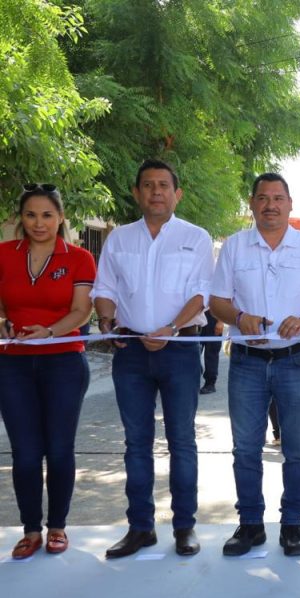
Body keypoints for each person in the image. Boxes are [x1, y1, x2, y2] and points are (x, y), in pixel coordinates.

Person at [210, 172, 300, 557]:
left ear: (290, 204)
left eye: (278, 198)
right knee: (245, 448)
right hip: (247, 362)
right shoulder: (234, 246)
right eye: (263, 198)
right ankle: (250, 525)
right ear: (252, 203)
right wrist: (239, 317)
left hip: (295, 360)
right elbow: (217, 301)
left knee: (297, 448)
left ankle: (293, 525)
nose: (270, 205)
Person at [93, 160, 213, 559]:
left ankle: (185, 526)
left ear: (177, 194)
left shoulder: (196, 238)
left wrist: (171, 328)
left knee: (182, 441)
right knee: (136, 443)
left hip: (179, 350)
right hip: (129, 352)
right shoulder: (119, 239)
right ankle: (140, 528)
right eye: (148, 185)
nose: (156, 191)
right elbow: (105, 288)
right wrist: (107, 321)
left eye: (163, 185)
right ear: (136, 193)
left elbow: (202, 293)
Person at [0, 185, 95, 559]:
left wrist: (51, 332)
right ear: (20, 218)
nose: (38, 223)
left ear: (60, 218)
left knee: (58, 449)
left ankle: (57, 526)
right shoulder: (4, 254)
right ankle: (30, 530)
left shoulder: (80, 258)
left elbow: (81, 311)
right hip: (12, 363)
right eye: (30, 215)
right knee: (25, 453)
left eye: (47, 215)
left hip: (63, 361)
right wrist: (3, 321)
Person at [199, 310, 222, 394]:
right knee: (193, 353)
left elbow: (222, 303)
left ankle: (210, 384)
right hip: (197, 317)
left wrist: (220, 321)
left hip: (213, 317)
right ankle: (194, 378)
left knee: (212, 354)